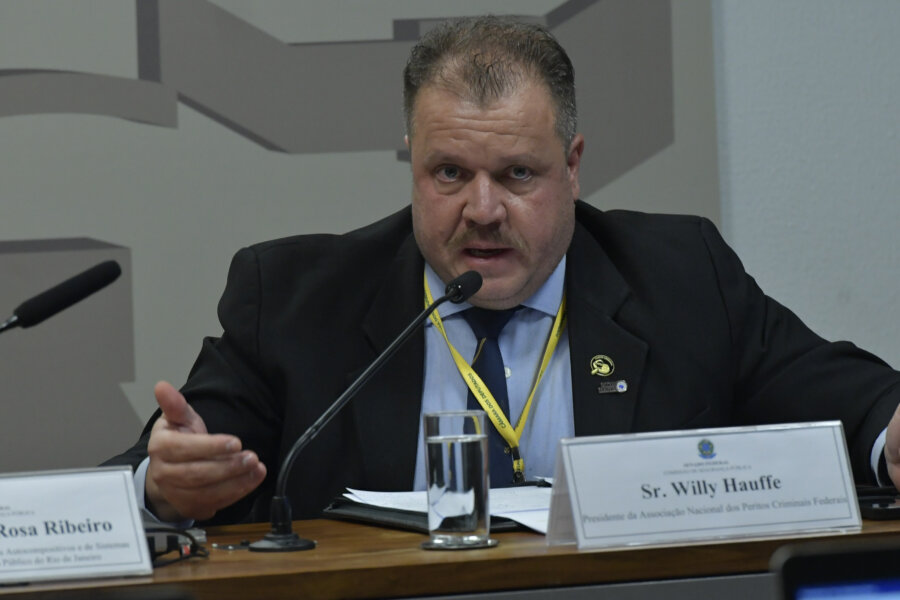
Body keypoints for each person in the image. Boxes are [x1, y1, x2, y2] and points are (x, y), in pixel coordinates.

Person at [106, 16, 900, 525]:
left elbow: (850, 401)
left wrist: (891, 434)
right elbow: (182, 452)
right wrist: (161, 482)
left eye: (518, 175)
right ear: (411, 163)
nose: (482, 210)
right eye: (449, 173)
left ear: (573, 166)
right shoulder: (289, 299)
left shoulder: (681, 276)